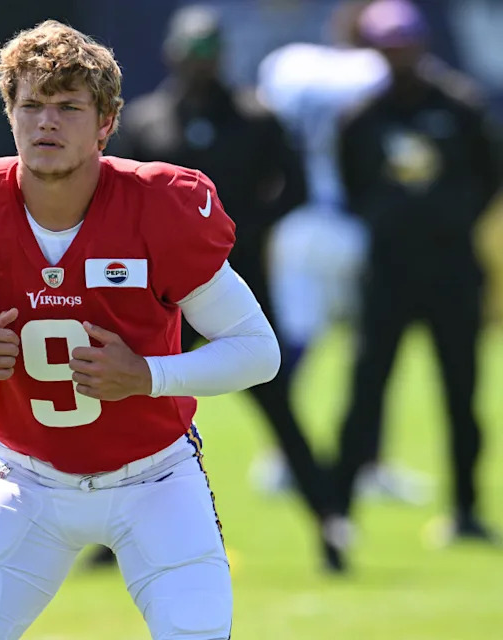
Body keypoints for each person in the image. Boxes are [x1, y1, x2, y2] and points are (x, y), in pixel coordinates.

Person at [0, 20, 282, 639]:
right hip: (24, 479)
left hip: (155, 477)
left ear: (106, 121)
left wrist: (146, 376)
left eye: (69, 107)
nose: (47, 122)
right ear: (10, 113)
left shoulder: (158, 206)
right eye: (33, 105)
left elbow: (257, 351)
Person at [88, 4, 342, 571]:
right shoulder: (151, 121)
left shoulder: (256, 117)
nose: (200, 63)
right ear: (172, 53)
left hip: (239, 286)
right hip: (164, 297)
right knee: (138, 408)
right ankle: (109, 536)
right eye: (191, 52)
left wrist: (235, 232)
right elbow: (114, 198)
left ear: (222, 56)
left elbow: (295, 187)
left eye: (210, 52)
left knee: (278, 407)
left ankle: (331, 524)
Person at [332, 0, 501, 564]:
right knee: (366, 391)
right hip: (390, 274)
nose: (398, 53)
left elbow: (487, 178)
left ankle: (467, 510)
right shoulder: (362, 115)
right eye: (388, 44)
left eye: (405, 42)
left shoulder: (460, 105)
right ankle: (339, 511)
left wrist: (445, 219)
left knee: (461, 394)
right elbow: (355, 187)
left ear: (421, 43)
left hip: (452, 272)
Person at [256, 0, 432, 505]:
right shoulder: (371, 72)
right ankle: (368, 461)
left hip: (299, 224)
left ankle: (281, 455)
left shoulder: (289, 65)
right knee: (371, 349)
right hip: (354, 224)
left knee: (292, 347)